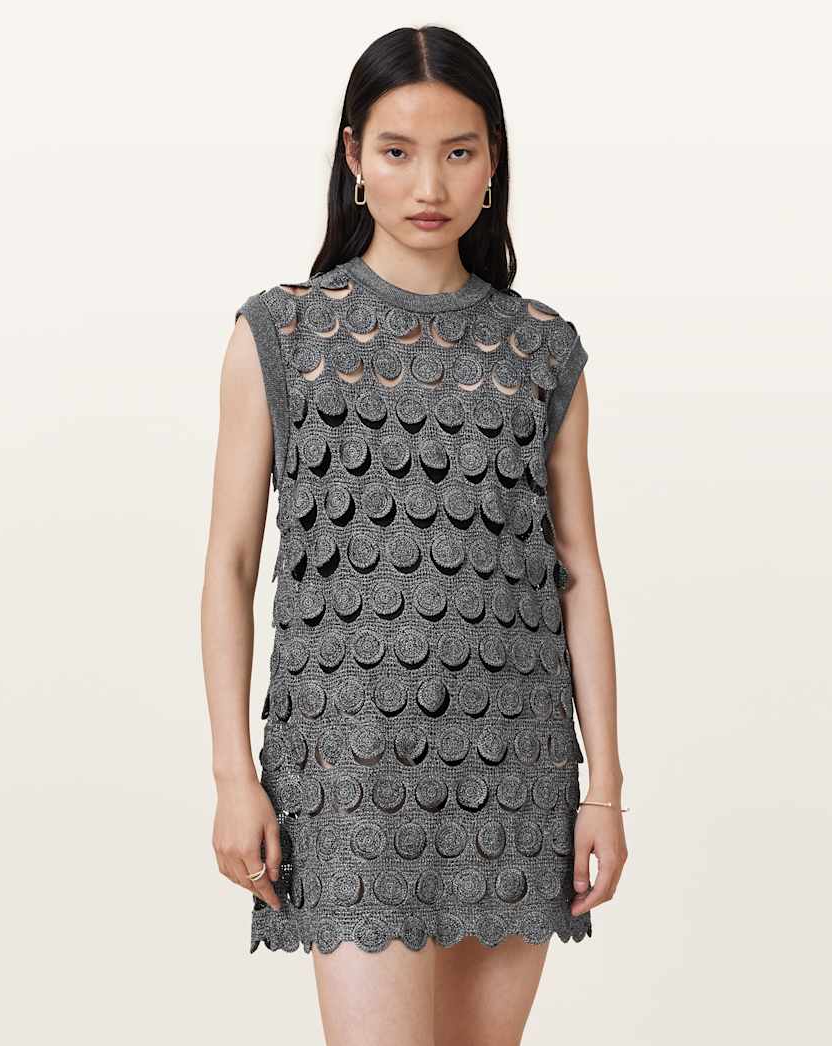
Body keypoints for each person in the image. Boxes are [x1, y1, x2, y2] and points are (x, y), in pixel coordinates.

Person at [202, 24, 627, 1046]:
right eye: (397, 151)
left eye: (459, 151)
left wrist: (605, 790)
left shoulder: (542, 349)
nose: (429, 184)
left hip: (515, 763)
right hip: (345, 766)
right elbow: (229, 562)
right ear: (354, 157)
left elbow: (577, 573)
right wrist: (232, 775)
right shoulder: (280, 334)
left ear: (493, 161)